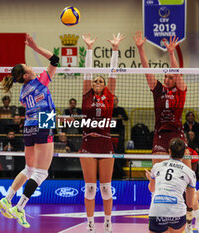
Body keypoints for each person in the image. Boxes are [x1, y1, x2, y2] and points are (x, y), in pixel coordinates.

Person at [0, 33, 59, 228]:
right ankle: (20, 207)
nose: (32, 67)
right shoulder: (39, 81)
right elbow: (55, 59)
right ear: (26, 75)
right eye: (28, 67)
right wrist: (35, 47)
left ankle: (7, 199)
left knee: (29, 169)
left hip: (29, 126)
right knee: (41, 173)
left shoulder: (23, 92)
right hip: (44, 121)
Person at [81, 33, 125, 233]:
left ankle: (108, 221)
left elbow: (113, 73)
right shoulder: (86, 95)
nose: (97, 82)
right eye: (95, 80)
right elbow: (87, 73)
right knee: (90, 188)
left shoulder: (109, 95)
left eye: (101, 81)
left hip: (106, 143)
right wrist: (89, 48)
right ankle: (90, 223)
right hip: (88, 143)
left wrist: (115, 49)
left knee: (106, 188)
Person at [134, 31, 190, 167]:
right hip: (160, 135)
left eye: (170, 77)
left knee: (186, 173)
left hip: (177, 134)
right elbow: (147, 71)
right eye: (165, 76)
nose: (166, 79)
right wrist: (141, 49)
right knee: (159, 175)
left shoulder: (180, 90)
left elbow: (177, 73)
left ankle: (191, 190)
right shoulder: (158, 89)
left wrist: (171, 53)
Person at [145, 138, 199, 233]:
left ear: (169, 151)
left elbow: (151, 189)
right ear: (185, 153)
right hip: (177, 214)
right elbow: (190, 204)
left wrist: (152, 179)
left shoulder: (157, 166)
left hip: (157, 212)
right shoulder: (190, 172)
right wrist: (195, 197)